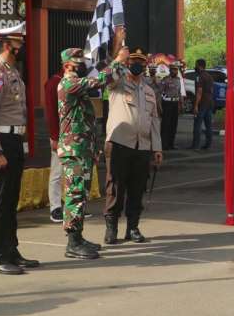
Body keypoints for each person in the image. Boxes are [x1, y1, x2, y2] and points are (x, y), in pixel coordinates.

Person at [58, 46, 129, 259]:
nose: (82, 65)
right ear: (67, 65)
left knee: (81, 194)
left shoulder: (76, 85)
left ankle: (78, 237)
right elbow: (98, 81)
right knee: (75, 194)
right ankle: (72, 242)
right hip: (74, 151)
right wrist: (117, 61)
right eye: (77, 61)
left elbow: (86, 122)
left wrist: (94, 147)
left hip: (82, 149)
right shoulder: (69, 83)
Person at [0, 32, 39, 275]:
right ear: (6, 46)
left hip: (13, 140)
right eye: (18, 44)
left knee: (11, 199)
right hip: (0, 141)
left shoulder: (12, 72)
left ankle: (11, 251)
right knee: (0, 201)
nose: (22, 47)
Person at [104, 48, 163, 245]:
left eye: (141, 63)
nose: (137, 66)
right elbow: (106, 77)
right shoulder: (117, 83)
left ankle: (133, 227)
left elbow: (154, 120)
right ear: (128, 65)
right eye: (133, 63)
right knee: (116, 188)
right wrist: (118, 60)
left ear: (145, 67)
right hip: (120, 143)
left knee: (137, 189)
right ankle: (111, 227)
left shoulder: (149, 91)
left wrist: (157, 148)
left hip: (142, 146)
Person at [43, 69, 64, 223]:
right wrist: (54, 136)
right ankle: (55, 207)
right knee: (57, 172)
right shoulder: (54, 82)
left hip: (75, 134)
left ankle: (74, 206)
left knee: (76, 173)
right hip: (60, 134)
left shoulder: (77, 80)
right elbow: (51, 112)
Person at [190, 58, 214, 150]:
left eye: (196, 65)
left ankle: (195, 145)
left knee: (197, 124)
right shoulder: (209, 76)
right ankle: (208, 144)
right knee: (208, 125)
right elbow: (212, 90)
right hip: (209, 102)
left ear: (199, 66)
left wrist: (196, 105)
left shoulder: (199, 76)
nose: (195, 67)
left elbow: (199, 92)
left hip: (202, 103)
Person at [160, 62, 184, 150]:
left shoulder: (178, 80)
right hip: (167, 104)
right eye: (173, 69)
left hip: (175, 104)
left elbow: (179, 92)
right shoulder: (165, 79)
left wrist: (181, 104)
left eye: (176, 69)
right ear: (170, 70)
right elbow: (160, 92)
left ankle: (171, 144)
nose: (175, 71)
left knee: (173, 125)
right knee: (166, 125)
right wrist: (160, 105)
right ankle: (163, 144)